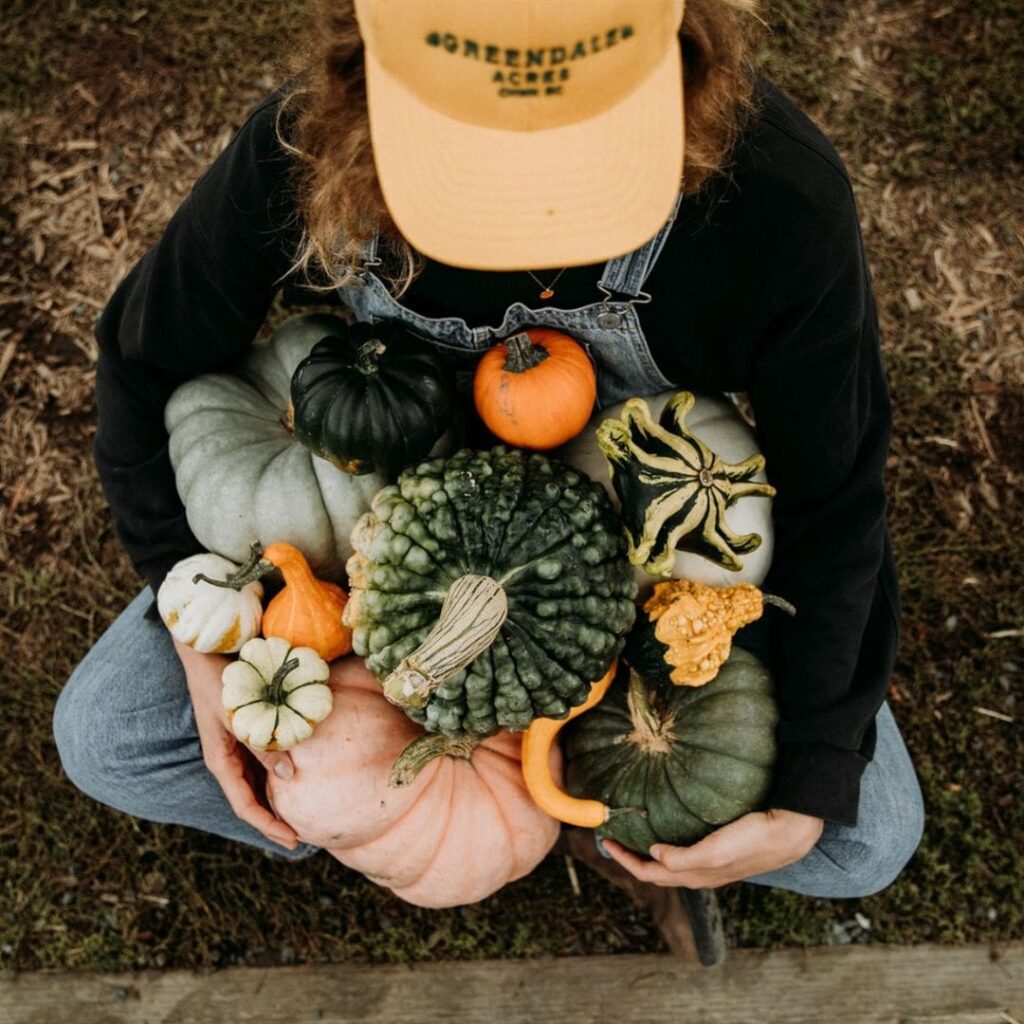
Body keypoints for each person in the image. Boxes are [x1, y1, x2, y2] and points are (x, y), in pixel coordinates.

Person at [54, 0, 924, 898]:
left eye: (580, 155)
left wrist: (817, 766)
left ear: (681, 59)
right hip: (382, 525)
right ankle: (433, 819)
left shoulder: (777, 196)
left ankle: (544, 806)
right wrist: (188, 615)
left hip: (646, 533)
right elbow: (144, 359)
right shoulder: (311, 148)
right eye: (476, 166)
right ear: (367, 75)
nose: (533, 206)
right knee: (110, 739)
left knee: (865, 840)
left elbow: (835, 496)